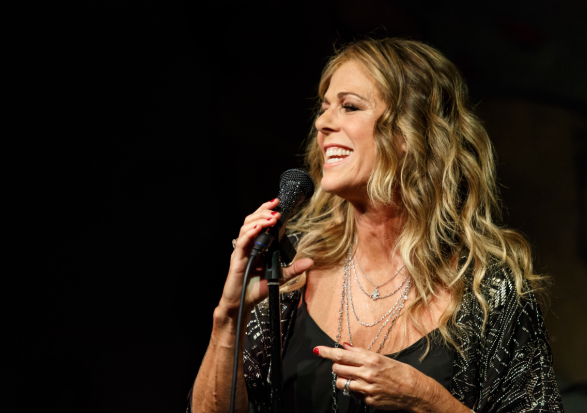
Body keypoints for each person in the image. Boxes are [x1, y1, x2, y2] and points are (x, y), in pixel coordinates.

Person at [187, 38, 563, 412]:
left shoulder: (486, 289)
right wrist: (230, 315)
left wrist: (430, 402)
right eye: (323, 108)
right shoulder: (288, 270)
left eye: (349, 106)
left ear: (408, 131)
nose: (322, 123)